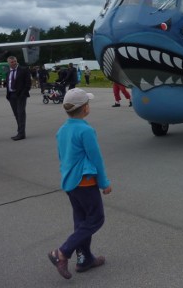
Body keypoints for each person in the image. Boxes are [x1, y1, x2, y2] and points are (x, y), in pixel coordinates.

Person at [48, 88, 111, 279]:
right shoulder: (85, 130)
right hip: (85, 183)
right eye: (88, 103)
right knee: (96, 218)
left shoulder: (61, 131)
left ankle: (84, 259)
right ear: (84, 109)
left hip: (70, 183)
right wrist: (104, 182)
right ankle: (61, 252)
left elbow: (61, 157)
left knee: (81, 221)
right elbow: (96, 159)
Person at [5, 55, 31, 141]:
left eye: (15, 61)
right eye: (11, 62)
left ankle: (21, 134)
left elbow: (28, 83)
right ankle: (20, 131)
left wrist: (23, 93)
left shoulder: (24, 70)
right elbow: (8, 83)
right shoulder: (8, 71)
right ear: (8, 63)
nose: (14, 63)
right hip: (11, 95)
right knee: (16, 114)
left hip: (20, 95)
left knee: (21, 114)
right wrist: (8, 94)